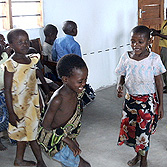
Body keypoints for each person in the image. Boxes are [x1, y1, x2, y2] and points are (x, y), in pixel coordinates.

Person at [115, 25, 166, 167]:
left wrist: (161, 105)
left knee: (143, 133)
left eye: (140, 42)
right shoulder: (126, 56)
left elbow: (159, 82)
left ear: (149, 42)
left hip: (147, 103)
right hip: (130, 101)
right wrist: (120, 85)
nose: (135, 45)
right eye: (133, 41)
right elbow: (123, 74)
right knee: (132, 132)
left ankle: (144, 160)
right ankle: (137, 155)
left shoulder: (154, 59)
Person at [38, 54, 91, 167]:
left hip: (64, 136)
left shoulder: (76, 92)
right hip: (53, 141)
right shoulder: (58, 99)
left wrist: (72, 138)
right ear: (65, 79)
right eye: (80, 81)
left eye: (85, 79)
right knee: (84, 165)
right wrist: (68, 141)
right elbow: (46, 126)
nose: (84, 84)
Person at [4, 29, 47, 167]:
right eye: (19, 42)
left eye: (26, 41)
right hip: (18, 108)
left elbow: (36, 81)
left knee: (27, 134)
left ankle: (19, 160)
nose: (24, 44)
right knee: (30, 136)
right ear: (10, 45)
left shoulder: (32, 59)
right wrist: (11, 112)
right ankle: (40, 162)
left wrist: (42, 97)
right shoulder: (11, 64)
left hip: (32, 106)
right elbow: (7, 90)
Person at [150, 21, 167, 93]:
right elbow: (163, 32)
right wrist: (156, 31)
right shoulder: (165, 22)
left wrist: (157, 34)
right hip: (163, 46)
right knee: (163, 67)